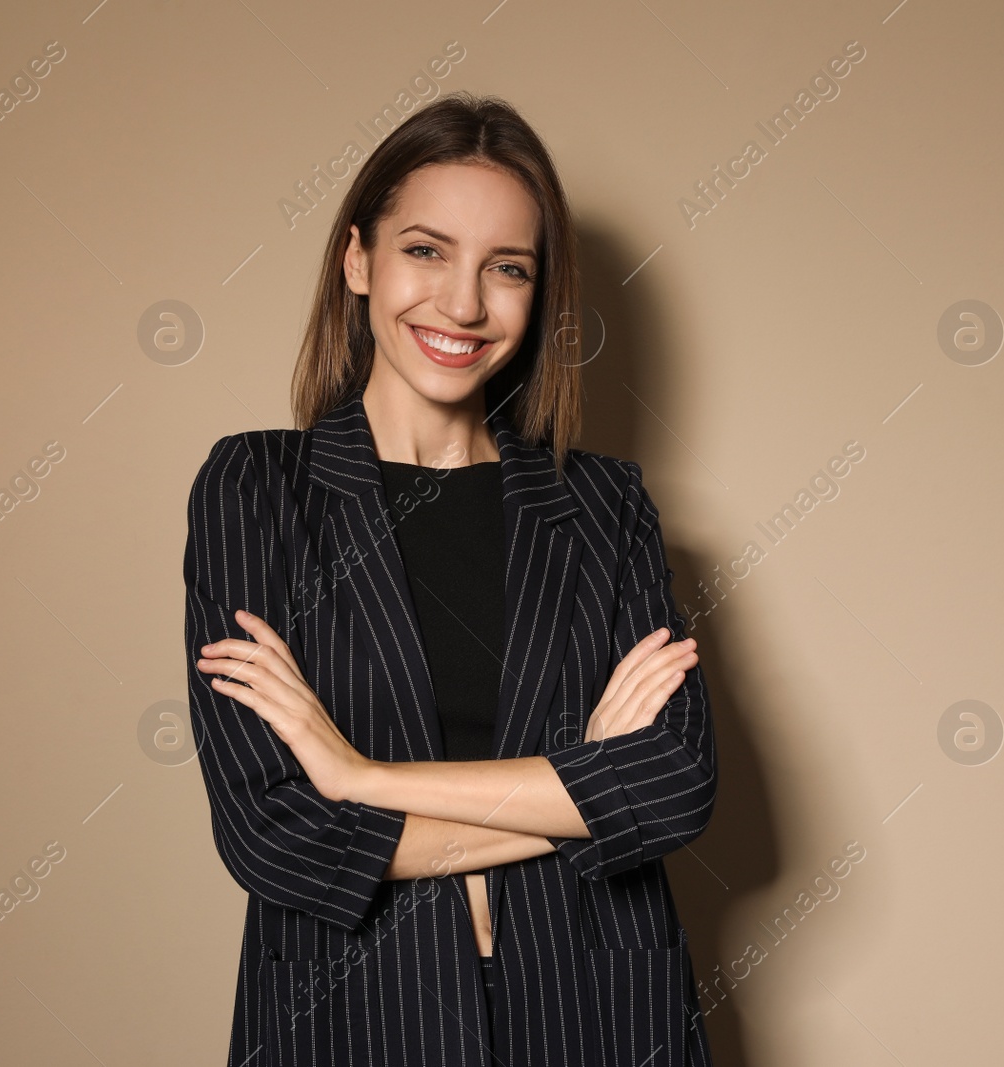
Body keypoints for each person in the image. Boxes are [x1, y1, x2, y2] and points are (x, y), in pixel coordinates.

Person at [184, 92, 716, 1066]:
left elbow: (674, 784)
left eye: (505, 268)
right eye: (426, 250)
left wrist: (360, 777)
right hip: (350, 1021)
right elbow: (274, 830)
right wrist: (580, 785)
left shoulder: (603, 503)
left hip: (595, 1014)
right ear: (358, 260)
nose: (462, 304)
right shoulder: (255, 487)